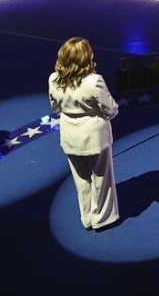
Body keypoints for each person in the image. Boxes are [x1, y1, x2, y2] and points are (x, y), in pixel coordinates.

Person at [48, 36, 119, 230]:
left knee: (81, 180)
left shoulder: (53, 79)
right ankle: (102, 218)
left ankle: (86, 218)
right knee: (102, 179)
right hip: (95, 139)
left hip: (70, 138)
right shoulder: (94, 81)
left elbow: (55, 107)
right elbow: (111, 109)